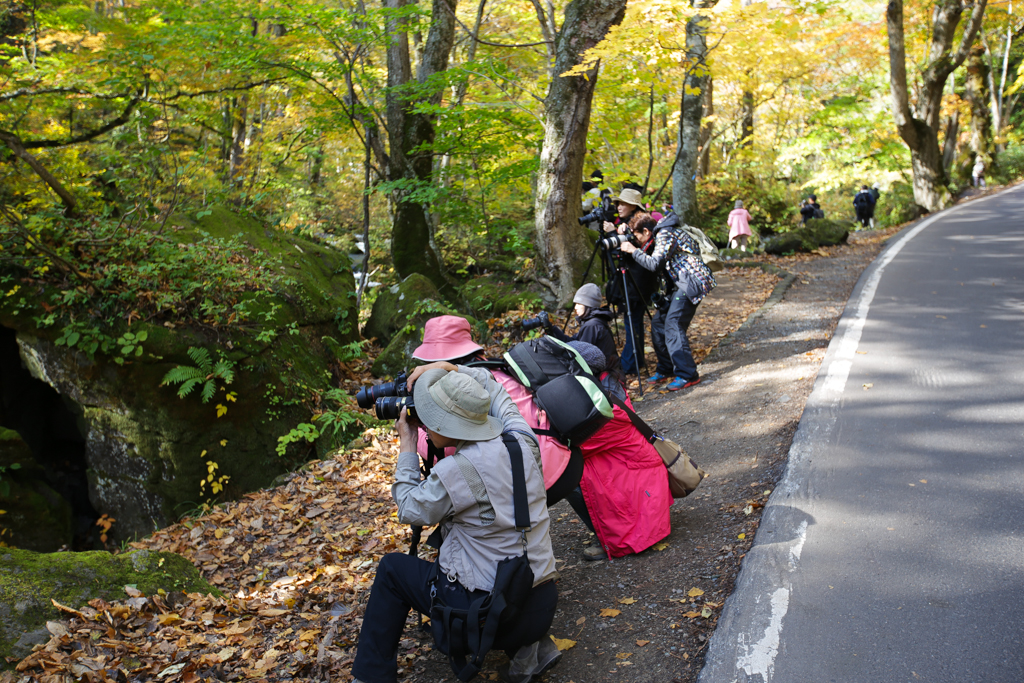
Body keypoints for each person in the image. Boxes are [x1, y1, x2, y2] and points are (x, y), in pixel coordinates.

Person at [351, 364, 561, 683]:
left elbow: (409, 507)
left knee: (392, 571)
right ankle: (529, 651)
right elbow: (491, 385)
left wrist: (407, 444)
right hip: (541, 600)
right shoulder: (521, 437)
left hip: (492, 614)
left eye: (431, 420)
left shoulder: (458, 470)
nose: (426, 427)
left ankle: (370, 677)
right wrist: (447, 368)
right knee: (491, 551)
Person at [410, 317, 672, 563]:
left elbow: (447, 448)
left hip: (534, 470)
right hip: (557, 457)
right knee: (571, 480)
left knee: (472, 499)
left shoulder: (462, 388)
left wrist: (416, 433)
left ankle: (498, 575)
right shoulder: (495, 370)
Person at [411, 315, 580, 507]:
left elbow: (447, 448)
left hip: (534, 479)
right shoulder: (496, 371)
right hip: (564, 460)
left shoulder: (461, 394)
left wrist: (415, 428)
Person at [561, 343, 672, 561]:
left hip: (637, 485)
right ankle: (606, 531)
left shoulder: (607, 409)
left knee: (566, 478)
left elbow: (577, 445)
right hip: (634, 475)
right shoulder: (607, 386)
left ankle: (608, 539)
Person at [618, 209, 715, 391]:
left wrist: (633, 251)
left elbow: (654, 264)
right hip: (680, 283)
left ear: (647, 232)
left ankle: (687, 374)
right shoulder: (658, 236)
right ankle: (666, 368)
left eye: (638, 237)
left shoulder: (664, 233)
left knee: (673, 323)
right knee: (659, 322)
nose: (637, 242)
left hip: (692, 280)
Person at [546, 283, 623, 385]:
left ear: (588, 305)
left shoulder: (592, 325)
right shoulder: (593, 322)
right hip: (610, 375)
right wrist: (552, 329)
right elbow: (572, 342)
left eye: (579, 304)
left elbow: (579, 357)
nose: (575, 308)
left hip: (607, 380)